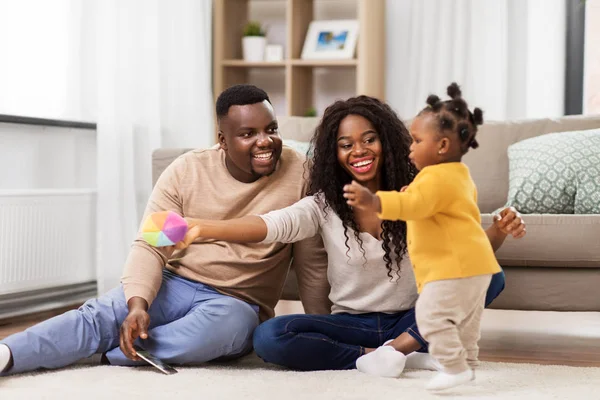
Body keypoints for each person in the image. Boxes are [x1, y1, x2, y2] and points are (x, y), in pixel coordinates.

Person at [175, 95, 526, 376]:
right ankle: (377, 356)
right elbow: (269, 224)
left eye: (369, 139)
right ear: (335, 154)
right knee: (270, 337)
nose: (358, 150)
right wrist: (202, 227)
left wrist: (498, 230)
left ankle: (400, 348)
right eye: (346, 144)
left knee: (489, 275)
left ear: (386, 141)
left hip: (413, 315)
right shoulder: (324, 205)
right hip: (351, 325)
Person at [0, 84, 329, 376]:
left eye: (271, 128)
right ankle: (9, 354)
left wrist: (324, 326)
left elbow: (311, 260)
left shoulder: (298, 171)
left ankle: (110, 357)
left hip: (237, 302)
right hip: (174, 282)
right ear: (222, 141)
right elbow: (151, 244)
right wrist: (138, 304)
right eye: (248, 134)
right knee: (100, 315)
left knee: (222, 330)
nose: (265, 141)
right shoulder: (187, 171)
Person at [345, 83, 509, 390]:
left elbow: (411, 205)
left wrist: (373, 201)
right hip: (478, 267)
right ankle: (468, 365)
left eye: (417, 141)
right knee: (468, 326)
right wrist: (416, 197)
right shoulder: (459, 176)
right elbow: (432, 208)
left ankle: (454, 367)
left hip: (451, 270)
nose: (409, 148)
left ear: (442, 146)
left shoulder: (432, 178)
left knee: (431, 316)